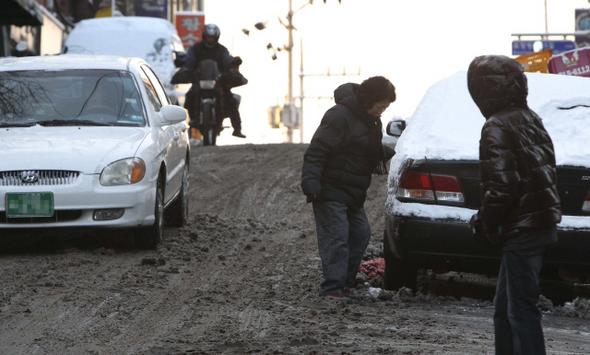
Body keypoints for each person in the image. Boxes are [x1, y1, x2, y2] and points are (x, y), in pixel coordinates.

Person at [467, 55, 561, 355]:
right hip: (539, 223)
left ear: (483, 90)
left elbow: (503, 186)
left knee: (520, 310)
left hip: (522, 228)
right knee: (505, 308)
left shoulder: (496, 125)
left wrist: (484, 221)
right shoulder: (529, 117)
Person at [301, 76, 396, 301]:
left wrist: (395, 152)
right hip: (330, 187)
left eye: (386, 107)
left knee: (361, 233)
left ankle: (345, 284)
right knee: (337, 237)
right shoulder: (339, 116)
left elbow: (364, 148)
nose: (382, 110)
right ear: (368, 99)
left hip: (352, 192)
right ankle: (332, 289)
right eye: (381, 105)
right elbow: (317, 151)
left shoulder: (372, 120)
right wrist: (311, 183)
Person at [179, 23, 246, 138]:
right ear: (204, 36)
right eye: (208, 37)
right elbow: (189, 61)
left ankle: (237, 128)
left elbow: (227, 61)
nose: (210, 39)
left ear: (216, 37)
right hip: (200, 80)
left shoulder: (222, 50)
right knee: (190, 95)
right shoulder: (196, 49)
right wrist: (186, 67)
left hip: (218, 81)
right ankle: (193, 119)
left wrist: (232, 64)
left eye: (212, 37)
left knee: (230, 99)